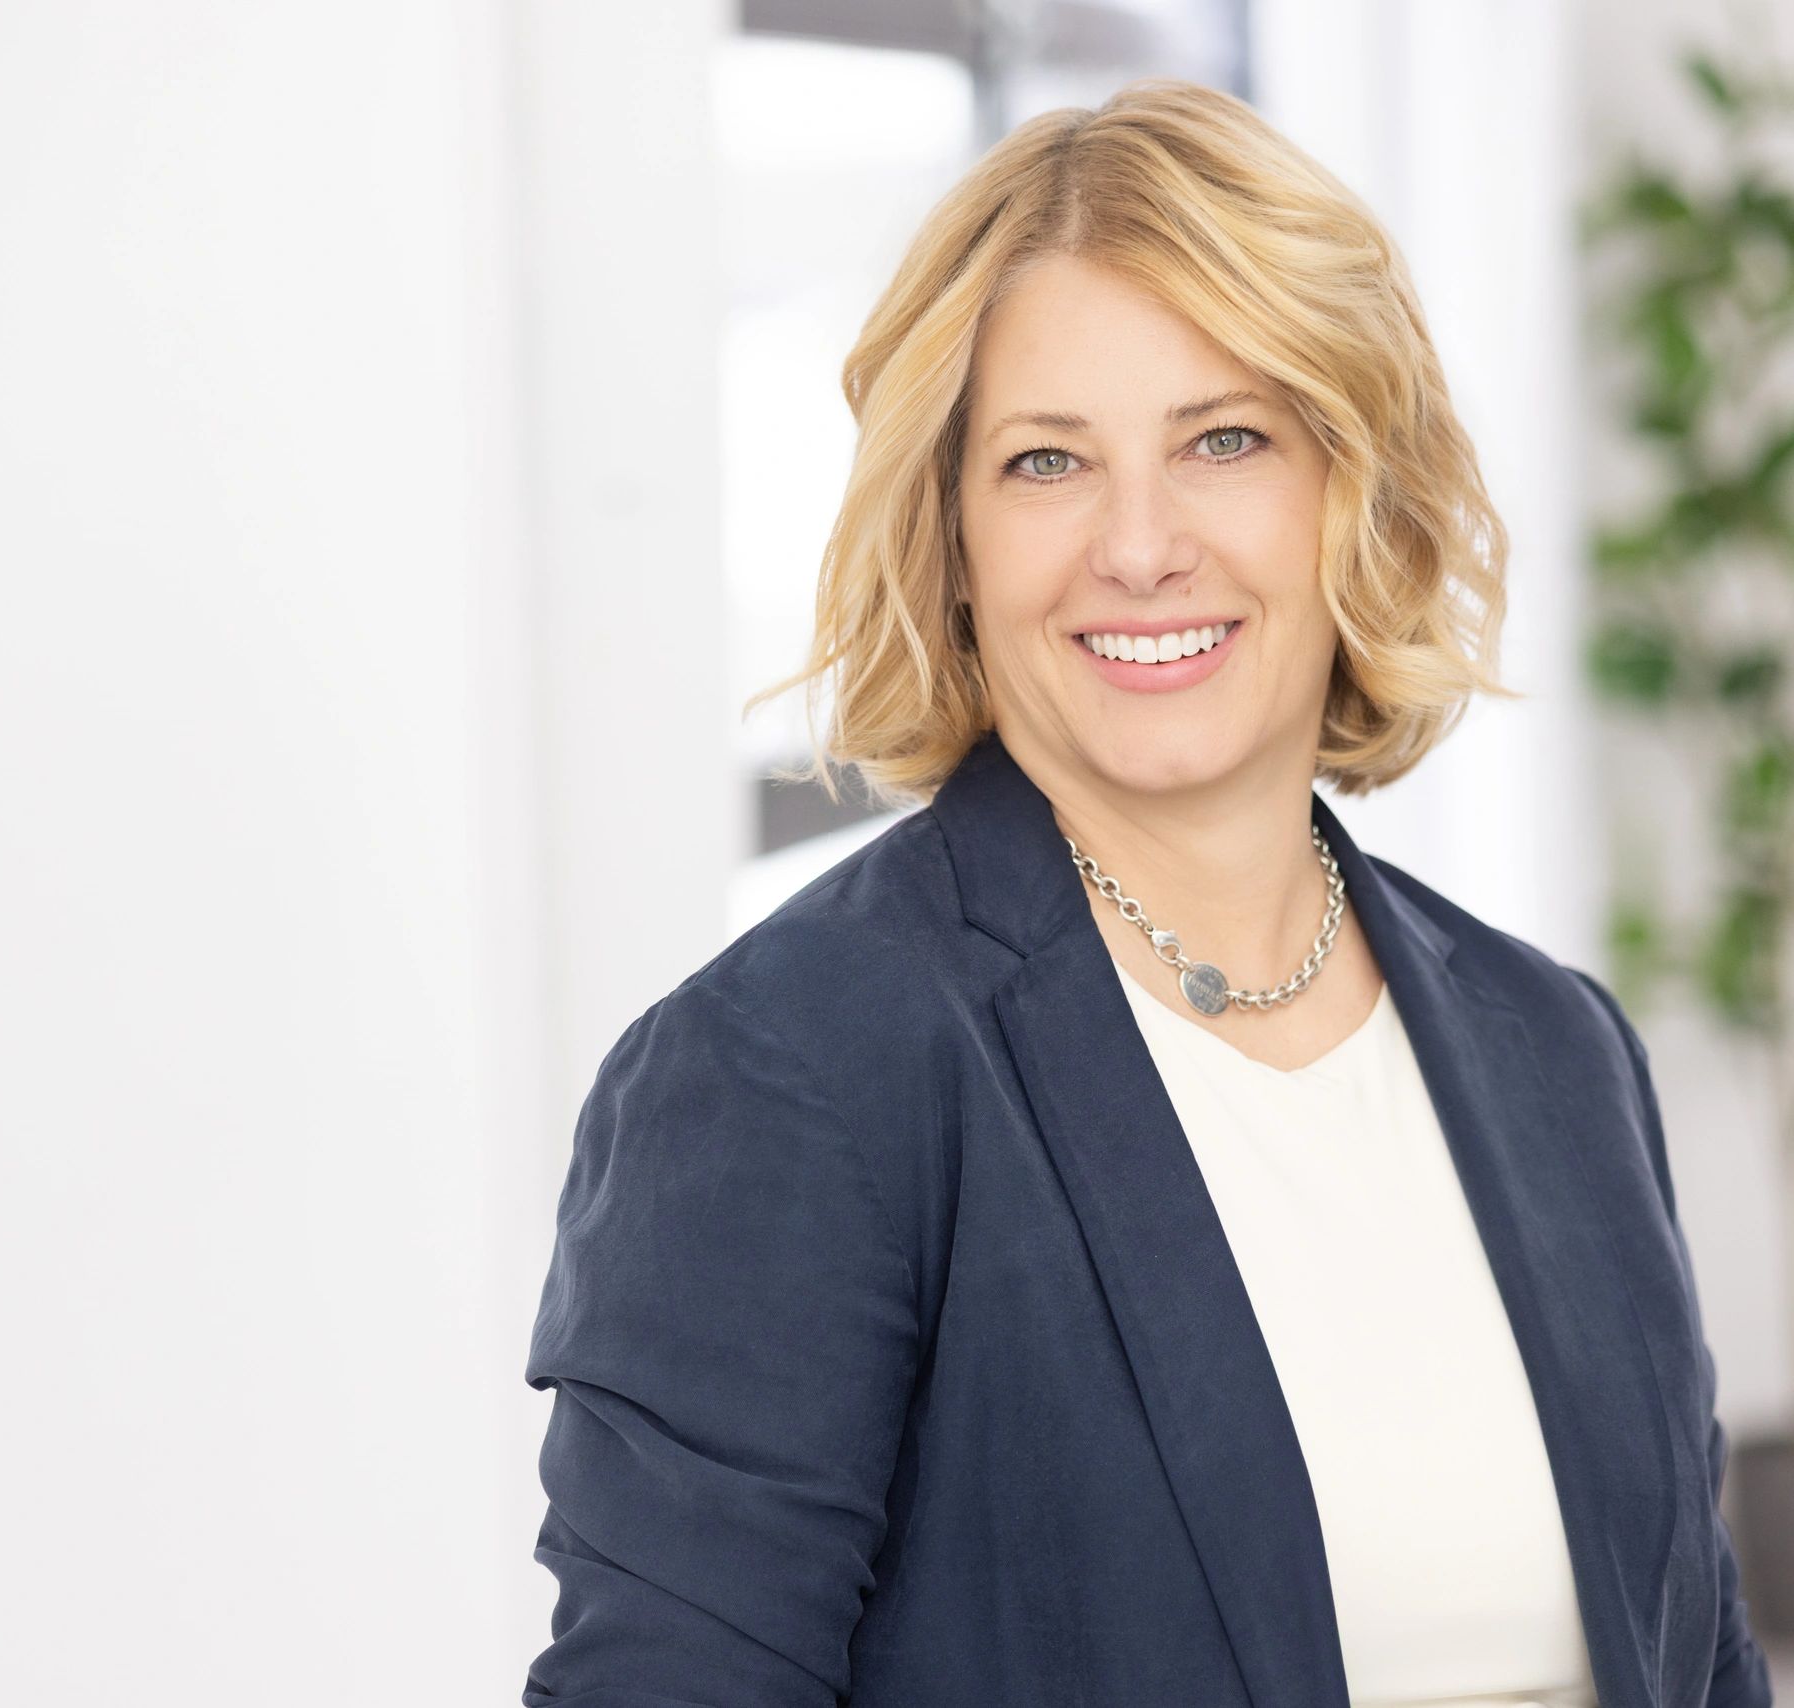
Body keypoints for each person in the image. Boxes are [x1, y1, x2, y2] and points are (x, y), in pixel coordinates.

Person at [518, 77, 1775, 1708]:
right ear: (952, 539)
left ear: (1353, 487)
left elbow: (1704, 1664)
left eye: (1226, 440)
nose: (1140, 544)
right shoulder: (791, 1078)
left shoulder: (1560, 1051)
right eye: (1047, 462)